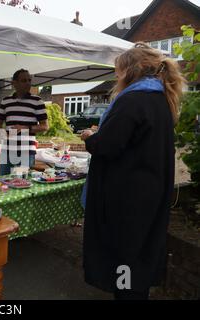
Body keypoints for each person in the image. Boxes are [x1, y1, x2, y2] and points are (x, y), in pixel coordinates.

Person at [80, 43, 185, 300]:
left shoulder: (132, 101)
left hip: (127, 197)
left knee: (125, 255)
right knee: (140, 255)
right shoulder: (160, 99)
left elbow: (108, 145)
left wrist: (90, 137)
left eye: (117, 72)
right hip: (149, 191)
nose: (116, 77)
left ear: (130, 70)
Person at [0, 69, 49, 175]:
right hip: (7, 150)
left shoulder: (37, 101)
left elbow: (45, 126)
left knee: (22, 182)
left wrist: (26, 128)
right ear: (14, 83)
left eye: (29, 80)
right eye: (24, 80)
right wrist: (3, 134)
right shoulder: (6, 101)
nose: (28, 83)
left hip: (26, 151)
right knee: (3, 182)